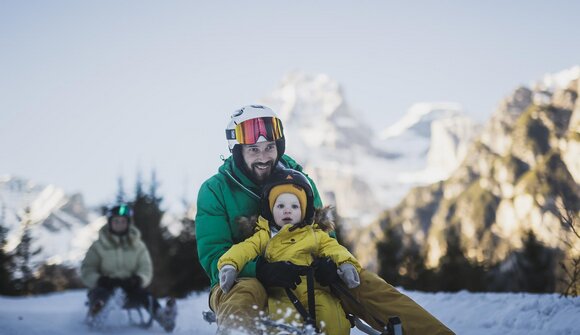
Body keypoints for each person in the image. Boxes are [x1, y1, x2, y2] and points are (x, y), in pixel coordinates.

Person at [195, 104, 454, 334]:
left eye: (269, 147)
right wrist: (260, 269)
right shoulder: (215, 190)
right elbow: (214, 256)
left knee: (364, 285)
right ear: (238, 152)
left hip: (303, 269)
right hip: (241, 278)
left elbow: (322, 233)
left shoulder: (296, 180)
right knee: (245, 292)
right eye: (253, 149)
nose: (264, 157)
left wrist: (330, 264)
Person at [218, 169, 359, 334]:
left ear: (303, 211)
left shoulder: (314, 234)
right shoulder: (265, 235)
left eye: (294, 206)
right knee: (285, 325)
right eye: (280, 206)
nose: (287, 210)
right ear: (271, 210)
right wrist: (230, 264)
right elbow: (243, 249)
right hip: (281, 294)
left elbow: (334, 248)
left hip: (315, 290)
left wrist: (346, 264)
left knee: (334, 319)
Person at [80, 204, 177, 332]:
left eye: (122, 221)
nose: (119, 224)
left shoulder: (138, 246)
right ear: (110, 223)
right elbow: (87, 269)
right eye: (116, 221)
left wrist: (138, 280)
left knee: (145, 295)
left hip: (130, 289)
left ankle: (162, 316)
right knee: (100, 294)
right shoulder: (98, 246)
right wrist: (100, 280)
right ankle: (96, 312)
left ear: (128, 223)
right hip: (105, 287)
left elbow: (145, 268)